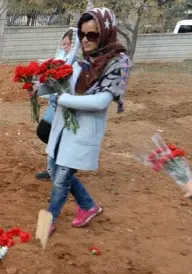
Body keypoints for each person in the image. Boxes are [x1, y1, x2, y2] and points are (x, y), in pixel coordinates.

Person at [35, 7, 133, 235]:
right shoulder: (80, 59)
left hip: (84, 131)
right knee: (53, 169)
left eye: (92, 35)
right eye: (82, 34)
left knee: (61, 178)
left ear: (106, 32)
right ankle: (89, 206)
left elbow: (101, 101)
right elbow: (61, 82)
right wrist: (37, 87)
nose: (86, 40)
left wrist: (63, 100)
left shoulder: (119, 63)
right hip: (63, 126)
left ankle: (48, 222)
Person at [35, 29, 78, 181]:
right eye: (63, 44)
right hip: (55, 103)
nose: (64, 47)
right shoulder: (62, 59)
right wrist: (38, 89)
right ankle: (55, 167)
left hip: (66, 105)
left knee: (47, 132)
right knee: (48, 133)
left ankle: (64, 164)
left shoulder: (77, 62)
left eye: (68, 44)